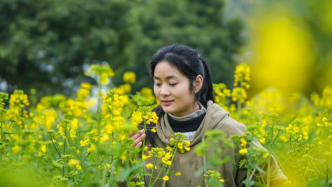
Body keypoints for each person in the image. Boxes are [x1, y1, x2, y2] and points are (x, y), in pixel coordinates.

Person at [129, 43, 287, 187]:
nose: (163, 92)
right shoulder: (145, 132)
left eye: (172, 84)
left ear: (197, 83)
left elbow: (275, 181)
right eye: (157, 84)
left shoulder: (231, 132)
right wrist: (125, 164)